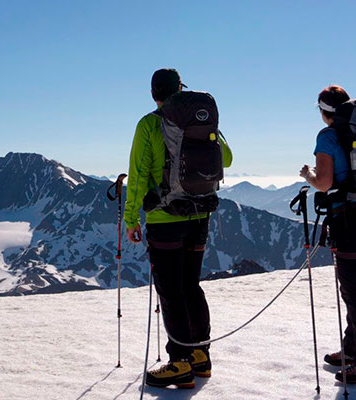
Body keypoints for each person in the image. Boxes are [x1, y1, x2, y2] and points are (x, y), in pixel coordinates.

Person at [124, 68, 232, 389]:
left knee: (170, 291)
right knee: (190, 285)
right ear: (180, 89)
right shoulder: (199, 121)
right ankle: (200, 356)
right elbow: (225, 157)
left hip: (165, 218)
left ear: (154, 93)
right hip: (200, 215)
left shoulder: (149, 124)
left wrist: (131, 219)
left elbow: (139, 173)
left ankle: (179, 364)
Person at [299, 85, 356, 384]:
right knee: (353, 286)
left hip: (349, 218)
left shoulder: (328, 136)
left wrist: (307, 174)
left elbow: (323, 182)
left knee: (353, 291)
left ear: (324, 112)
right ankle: (353, 350)